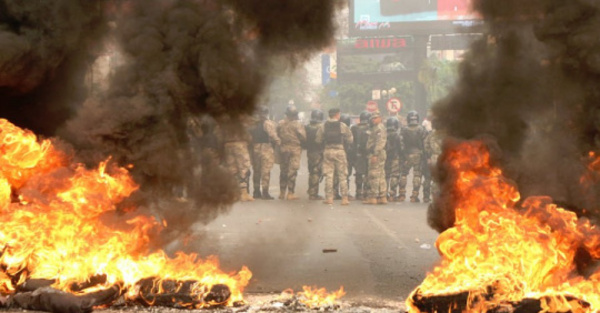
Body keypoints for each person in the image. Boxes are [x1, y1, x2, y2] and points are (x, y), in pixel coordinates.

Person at [316, 108, 353, 205]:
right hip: (340, 151)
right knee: (342, 175)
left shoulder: (323, 126)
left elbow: (318, 140)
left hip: (328, 151)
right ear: (337, 115)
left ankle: (329, 198)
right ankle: (344, 198)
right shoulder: (342, 126)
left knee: (329, 175)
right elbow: (350, 139)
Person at [250, 105, 280, 200]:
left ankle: (256, 191)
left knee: (256, 170)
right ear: (266, 113)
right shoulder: (268, 123)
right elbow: (273, 135)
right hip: (265, 148)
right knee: (266, 170)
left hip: (255, 148)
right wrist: (279, 142)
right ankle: (265, 192)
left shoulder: (253, 124)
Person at [277, 104, 306, 200]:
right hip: (295, 149)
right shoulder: (298, 124)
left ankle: (281, 193)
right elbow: (303, 137)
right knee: (292, 171)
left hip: (283, 149)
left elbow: (277, 134)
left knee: (283, 170)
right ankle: (290, 193)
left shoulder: (280, 123)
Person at [222, 116, 254, 202]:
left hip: (227, 144)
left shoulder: (225, 121)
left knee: (233, 169)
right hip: (240, 144)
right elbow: (248, 136)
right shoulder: (241, 122)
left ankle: (235, 194)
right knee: (244, 168)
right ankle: (244, 193)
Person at [398, 111, 428, 202]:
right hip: (418, 155)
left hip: (406, 154)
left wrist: (403, 155)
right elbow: (425, 144)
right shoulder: (422, 129)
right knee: (417, 175)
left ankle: (402, 194)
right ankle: (414, 196)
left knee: (403, 174)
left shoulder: (403, 130)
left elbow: (401, 144)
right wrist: (425, 155)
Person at [363, 111, 387, 205]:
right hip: (379, 153)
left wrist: (375, 154)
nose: (374, 120)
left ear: (380, 118)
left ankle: (373, 197)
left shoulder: (379, 128)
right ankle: (382, 196)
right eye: (372, 118)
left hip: (376, 153)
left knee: (374, 175)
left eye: (376, 118)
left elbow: (380, 142)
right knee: (381, 175)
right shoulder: (377, 127)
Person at [305, 109, 325, 200]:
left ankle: (311, 190)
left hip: (310, 151)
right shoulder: (322, 127)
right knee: (316, 172)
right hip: (319, 151)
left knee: (312, 171)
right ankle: (313, 193)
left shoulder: (307, 127)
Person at [333, 114, 354, 200]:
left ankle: (334, 192)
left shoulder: (335, 130)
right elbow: (351, 142)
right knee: (345, 175)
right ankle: (345, 193)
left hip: (335, 154)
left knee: (335, 174)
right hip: (346, 155)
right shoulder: (349, 131)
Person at [351, 111, 371, 200]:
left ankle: (358, 192)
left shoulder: (354, 128)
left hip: (357, 153)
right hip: (368, 153)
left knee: (358, 173)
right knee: (367, 173)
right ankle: (366, 192)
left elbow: (351, 141)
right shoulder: (370, 128)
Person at [384, 116, 403, 202]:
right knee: (394, 176)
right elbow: (401, 148)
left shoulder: (383, 134)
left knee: (386, 176)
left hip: (386, 157)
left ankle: (384, 193)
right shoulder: (397, 135)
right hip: (395, 157)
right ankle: (392, 194)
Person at [424, 126, 444, 203]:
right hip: (445, 157)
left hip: (434, 156)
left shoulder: (431, 133)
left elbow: (426, 145)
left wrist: (429, 155)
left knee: (435, 178)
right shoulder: (447, 133)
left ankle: (435, 196)